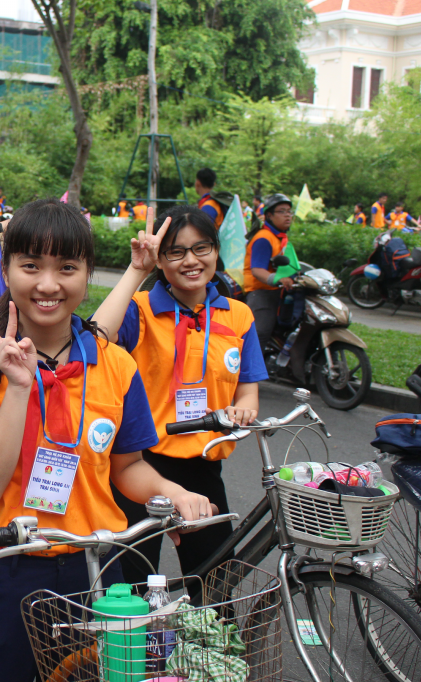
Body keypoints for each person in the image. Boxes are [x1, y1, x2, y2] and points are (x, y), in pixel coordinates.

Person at [0, 199, 212, 682]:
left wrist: (174, 492)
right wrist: (18, 389)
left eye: (67, 267)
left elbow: (127, 467)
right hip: (7, 568)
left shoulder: (115, 364)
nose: (48, 284)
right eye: (31, 266)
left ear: (88, 275)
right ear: (6, 270)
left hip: (98, 571)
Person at [91, 205, 266, 584]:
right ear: (160, 259)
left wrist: (243, 411)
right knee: (131, 583)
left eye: (201, 248)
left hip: (204, 463)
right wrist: (136, 270)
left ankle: (207, 626)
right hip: (140, 464)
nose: (191, 260)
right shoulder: (139, 310)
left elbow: (248, 392)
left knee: (215, 580)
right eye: (176, 251)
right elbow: (96, 338)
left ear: (216, 251)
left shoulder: (238, 316)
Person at [242, 193, 294, 351]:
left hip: (275, 291)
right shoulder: (264, 238)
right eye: (282, 211)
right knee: (260, 334)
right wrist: (278, 279)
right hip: (260, 292)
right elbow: (257, 270)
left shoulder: (279, 238)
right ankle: (251, 365)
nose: (287, 215)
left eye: (289, 211)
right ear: (269, 215)